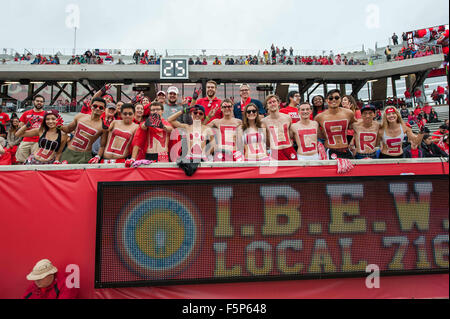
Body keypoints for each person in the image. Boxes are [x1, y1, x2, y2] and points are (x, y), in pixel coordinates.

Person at [60, 98, 107, 164]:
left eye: (101, 107)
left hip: (85, 155)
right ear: (91, 106)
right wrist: (59, 126)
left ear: (104, 110)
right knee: (62, 173)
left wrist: (98, 156)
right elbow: (68, 129)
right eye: (95, 106)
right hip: (69, 152)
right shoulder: (80, 116)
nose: (97, 109)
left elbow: (102, 145)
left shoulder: (103, 127)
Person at [314, 89, 356, 159]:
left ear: (340, 99)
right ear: (326, 100)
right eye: (331, 98)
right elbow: (318, 134)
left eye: (336, 98)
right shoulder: (319, 117)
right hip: (330, 150)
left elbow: (356, 127)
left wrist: (352, 143)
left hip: (346, 149)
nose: (334, 100)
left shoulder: (348, 113)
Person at [261, 94, 297, 161]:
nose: (272, 104)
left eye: (274, 101)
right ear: (267, 106)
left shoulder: (287, 117)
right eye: (269, 103)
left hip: (289, 148)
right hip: (275, 150)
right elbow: (263, 140)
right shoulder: (263, 121)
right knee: (279, 171)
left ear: (278, 103)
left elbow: (291, 134)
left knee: (294, 170)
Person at [16, 95, 46, 163]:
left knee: (36, 160)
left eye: (41, 101)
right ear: (33, 102)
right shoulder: (26, 113)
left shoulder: (46, 114)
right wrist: (27, 127)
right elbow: (20, 126)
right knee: (21, 160)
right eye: (37, 101)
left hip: (39, 141)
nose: (39, 103)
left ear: (43, 103)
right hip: (26, 140)